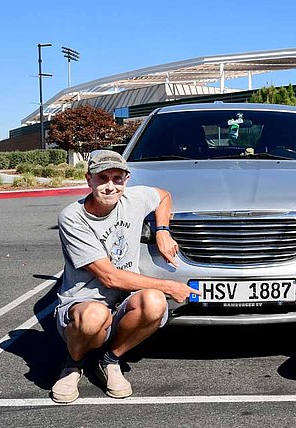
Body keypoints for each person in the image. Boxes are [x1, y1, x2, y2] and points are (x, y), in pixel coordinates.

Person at [51, 149, 198, 403]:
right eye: (102, 178)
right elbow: (109, 277)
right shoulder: (72, 218)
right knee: (94, 317)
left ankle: (110, 361)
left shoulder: (135, 198)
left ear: (126, 180)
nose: (110, 186)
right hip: (83, 303)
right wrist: (169, 286)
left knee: (154, 302)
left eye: (117, 178)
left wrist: (163, 230)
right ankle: (73, 364)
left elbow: (164, 196)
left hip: (124, 301)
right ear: (89, 180)